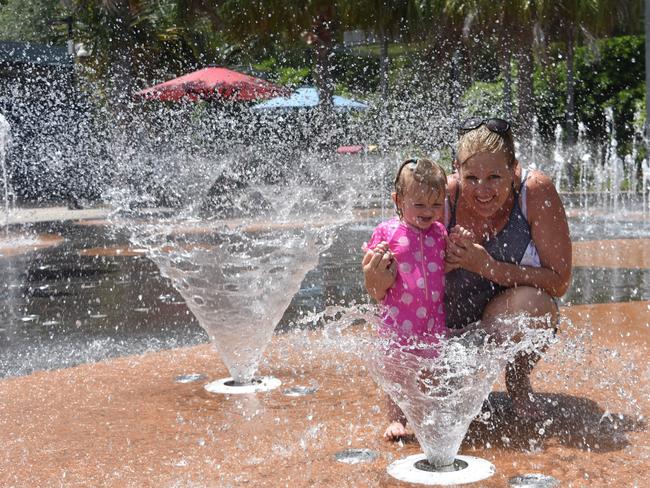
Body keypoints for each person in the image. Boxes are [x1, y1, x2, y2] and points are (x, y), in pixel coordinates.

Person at [365, 118, 571, 421]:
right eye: (471, 177)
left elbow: (559, 282)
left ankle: (517, 381)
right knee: (433, 408)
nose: (482, 190)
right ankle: (443, 376)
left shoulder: (535, 192)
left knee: (536, 306)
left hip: (499, 320)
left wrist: (488, 267)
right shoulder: (439, 200)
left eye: (495, 177)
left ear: (514, 169)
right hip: (439, 328)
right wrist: (374, 281)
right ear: (456, 170)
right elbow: (393, 273)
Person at [362, 158, 466, 440]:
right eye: (419, 205)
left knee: (430, 372)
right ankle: (396, 421)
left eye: (435, 205)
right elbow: (371, 268)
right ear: (399, 200)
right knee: (396, 375)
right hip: (398, 321)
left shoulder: (439, 232)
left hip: (432, 321)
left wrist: (458, 242)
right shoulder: (387, 231)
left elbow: (445, 261)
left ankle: (426, 415)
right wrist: (377, 255)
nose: (428, 212)